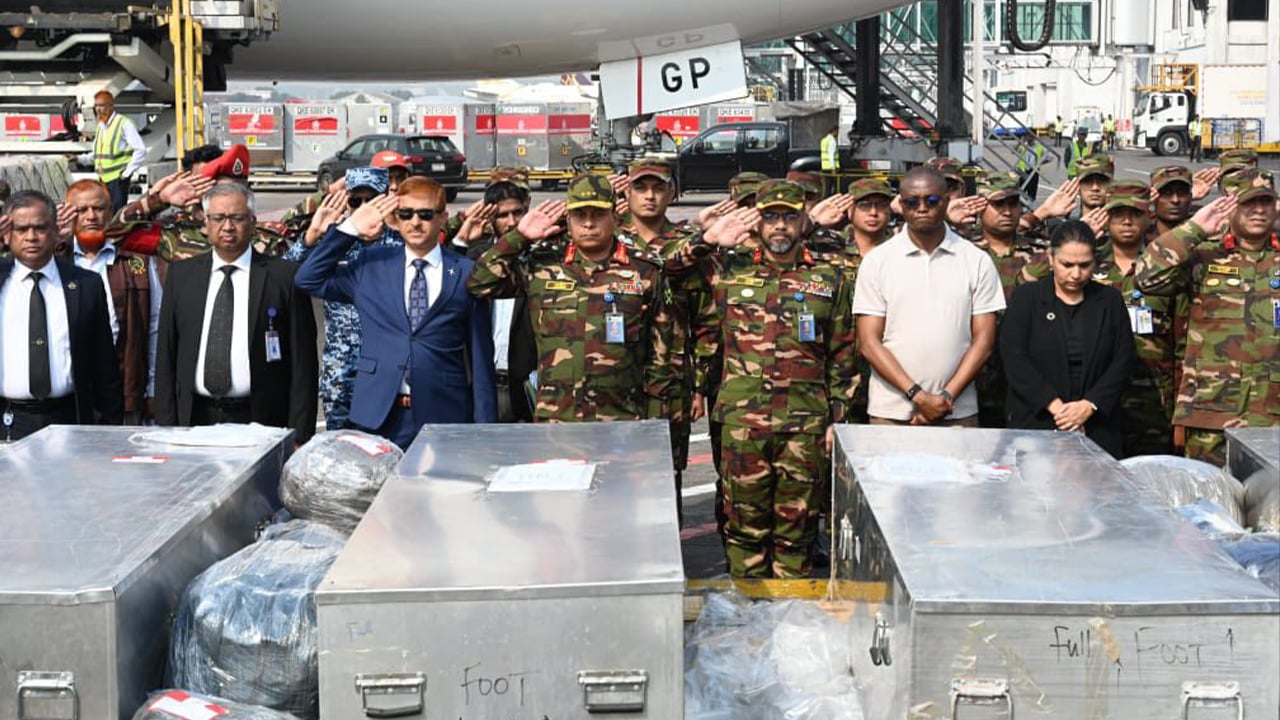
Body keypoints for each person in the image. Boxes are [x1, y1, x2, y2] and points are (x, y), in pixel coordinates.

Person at [669, 180, 857, 578]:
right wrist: (705, 238)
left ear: (804, 220)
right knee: (744, 530)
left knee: (798, 531)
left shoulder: (828, 277)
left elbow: (842, 353)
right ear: (757, 221)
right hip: (743, 425)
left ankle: (792, 625)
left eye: (789, 216)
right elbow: (667, 269)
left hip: (804, 426)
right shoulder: (729, 269)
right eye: (770, 216)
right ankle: (745, 626)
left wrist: (837, 416)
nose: (780, 226)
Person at [296, 176, 494, 448]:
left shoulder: (464, 272)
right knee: (377, 490)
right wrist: (349, 228)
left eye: (425, 214)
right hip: (379, 414)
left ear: (442, 217)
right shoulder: (372, 265)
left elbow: (481, 357)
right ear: (396, 219)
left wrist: (485, 430)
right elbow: (308, 279)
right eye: (406, 214)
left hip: (444, 412)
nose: (415, 222)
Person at [466, 174, 676, 423]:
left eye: (597, 214)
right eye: (580, 215)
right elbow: (479, 284)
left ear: (615, 217)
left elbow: (662, 354)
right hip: (556, 418)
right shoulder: (541, 264)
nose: (588, 224)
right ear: (568, 219)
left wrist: (654, 420)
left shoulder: (645, 270)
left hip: (621, 418)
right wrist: (518, 237)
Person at [1136, 169, 1280, 466]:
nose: (1258, 210)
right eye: (1248, 202)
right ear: (1231, 205)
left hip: (1271, 415)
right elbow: (1146, 278)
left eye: (1265, 202)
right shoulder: (1203, 255)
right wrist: (1193, 229)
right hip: (1210, 412)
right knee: (1208, 504)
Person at [154, 183, 318, 442]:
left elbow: (303, 364)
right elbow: (166, 356)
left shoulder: (283, 277)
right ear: (205, 224)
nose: (227, 227)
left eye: (237, 218)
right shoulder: (182, 276)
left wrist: (299, 435)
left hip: (262, 420)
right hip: (196, 419)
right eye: (218, 218)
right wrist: (165, 427)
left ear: (253, 223)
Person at [853, 166, 1005, 427]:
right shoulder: (877, 261)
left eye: (932, 200)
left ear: (946, 202)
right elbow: (868, 342)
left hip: (957, 412)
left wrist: (944, 398)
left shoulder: (976, 260)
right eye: (912, 202)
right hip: (891, 413)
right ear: (901, 205)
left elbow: (984, 342)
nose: (922, 208)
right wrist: (918, 396)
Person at [999, 221, 1134, 457]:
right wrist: (1059, 410)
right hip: (1037, 424)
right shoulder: (1027, 298)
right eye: (1067, 264)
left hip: (1097, 426)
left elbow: (1123, 359)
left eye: (1084, 265)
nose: (1076, 274)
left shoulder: (1109, 300)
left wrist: (1088, 405)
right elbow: (1014, 358)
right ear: (1051, 259)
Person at [284, 167, 404, 431]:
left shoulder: (399, 245)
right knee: (340, 449)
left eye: (369, 199)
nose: (361, 207)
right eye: (355, 200)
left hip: (386, 368)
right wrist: (311, 237)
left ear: (383, 199)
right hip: (341, 368)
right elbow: (283, 282)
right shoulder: (332, 242)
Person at [1, 190, 122, 440]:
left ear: (56, 232)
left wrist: (110, 429)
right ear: (6, 234)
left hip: (70, 417)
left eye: (40, 228)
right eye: (21, 229)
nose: (31, 237)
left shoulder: (86, 285)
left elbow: (104, 365)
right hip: (9, 420)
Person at [621, 158, 699, 512]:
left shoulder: (690, 244)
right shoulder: (609, 237)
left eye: (658, 188)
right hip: (615, 382)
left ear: (672, 193)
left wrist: (700, 386)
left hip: (670, 380)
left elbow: (707, 318)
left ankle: (670, 559)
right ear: (627, 191)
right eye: (641, 187)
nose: (650, 196)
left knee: (667, 476)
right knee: (615, 474)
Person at [1090, 181, 1180, 456]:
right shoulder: (1087, 263)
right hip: (1097, 398)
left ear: (1149, 216)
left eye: (1135, 213)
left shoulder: (1166, 266)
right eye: (1118, 214)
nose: (1127, 221)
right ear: (1106, 217)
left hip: (1153, 401)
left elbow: (1184, 341)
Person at [63, 179, 163, 424]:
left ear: (110, 213)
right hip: (71, 388)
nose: (91, 216)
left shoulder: (136, 263)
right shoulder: (58, 262)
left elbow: (154, 328)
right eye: (81, 210)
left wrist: (152, 387)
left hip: (124, 384)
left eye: (98, 209)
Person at [971, 172, 1051, 428]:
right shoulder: (963, 252)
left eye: (1013, 204)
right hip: (975, 373)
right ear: (981, 207)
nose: (1007, 211)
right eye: (998, 205)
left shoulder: (1041, 253)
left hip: (1028, 374)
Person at [88, 91, 147, 213]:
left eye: (102, 105)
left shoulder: (124, 123)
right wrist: (78, 159)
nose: (98, 109)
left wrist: (126, 173)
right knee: (106, 215)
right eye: (96, 106)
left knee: (116, 216)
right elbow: (96, 154)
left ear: (110, 106)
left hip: (117, 180)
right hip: (103, 179)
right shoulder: (101, 126)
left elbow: (140, 150)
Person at [1015, 131, 1047, 201]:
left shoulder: (1039, 147)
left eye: (1030, 136)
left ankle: (1030, 207)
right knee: (1021, 190)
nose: (1028, 138)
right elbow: (1014, 151)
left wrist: (1040, 163)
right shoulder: (1023, 145)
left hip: (1033, 171)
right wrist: (1020, 142)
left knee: (1032, 192)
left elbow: (1049, 157)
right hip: (1023, 171)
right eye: (1027, 136)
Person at [820, 125, 840, 197]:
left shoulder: (824, 140)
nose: (838, 134)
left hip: (825, 167)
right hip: (831, 168)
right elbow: (831, 155)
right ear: (834, 131)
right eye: (838, 132)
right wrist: (833, 168)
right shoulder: (832, 141)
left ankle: (825, 200)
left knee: (826, 187)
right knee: (834, 187)